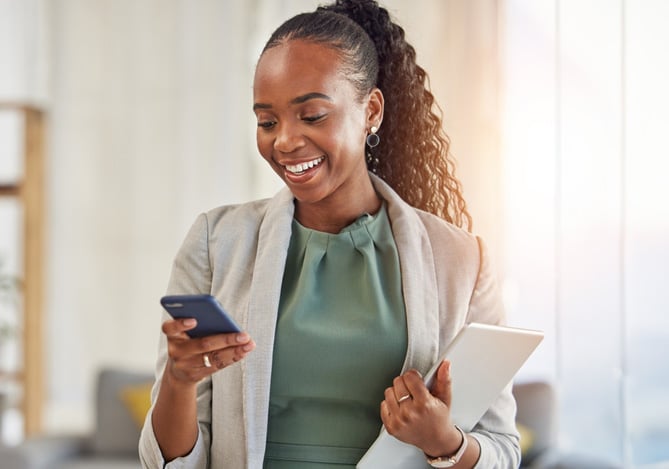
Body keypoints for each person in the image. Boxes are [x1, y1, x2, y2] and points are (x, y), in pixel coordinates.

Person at [139, 0, 520, 467]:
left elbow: (503, 451)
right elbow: (169, 463)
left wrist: (445, 442)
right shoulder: (217, 243)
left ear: (371, 111)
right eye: (267, 121)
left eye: (312, 115)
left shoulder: (460, 260)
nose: (284, 141)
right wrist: (179, 381)